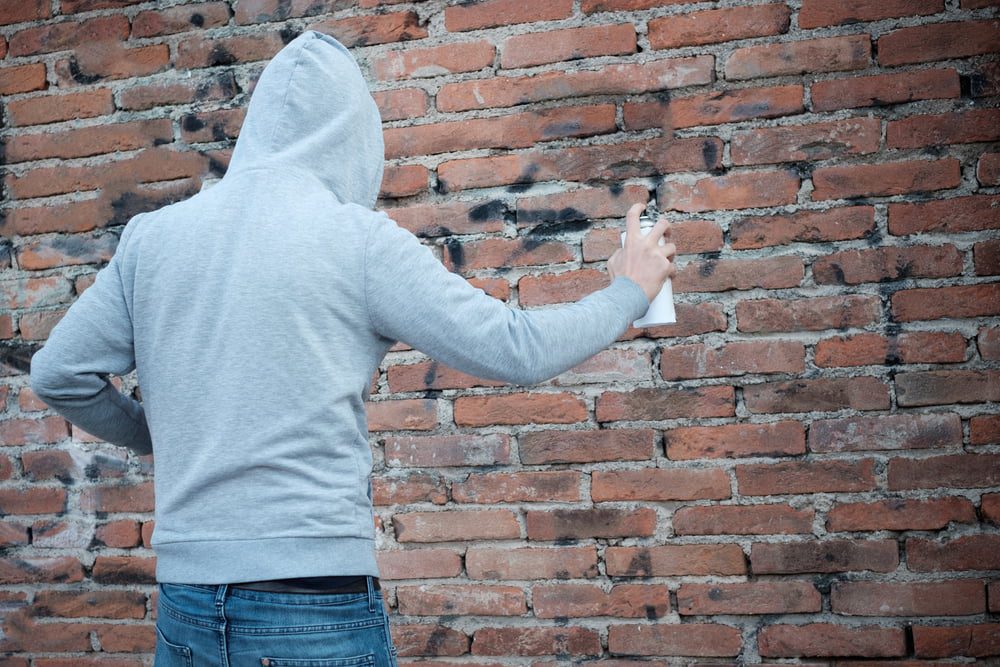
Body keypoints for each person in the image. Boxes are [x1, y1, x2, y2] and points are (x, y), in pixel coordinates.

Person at [28, 29, 677, 667]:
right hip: (312, 612)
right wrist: (628, 290)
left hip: (186, 608)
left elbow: (59, 373)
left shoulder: (152, 239)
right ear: (355, 137)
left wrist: (163, 434)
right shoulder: (356, 241)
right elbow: (517, 349)